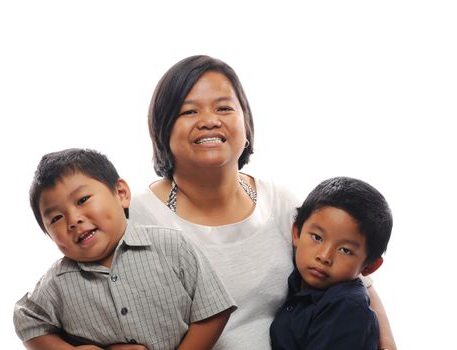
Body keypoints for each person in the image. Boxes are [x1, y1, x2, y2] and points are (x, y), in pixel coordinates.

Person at [129, 55, 397, 350]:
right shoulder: (136, 217)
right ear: (162, 128)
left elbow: (358, 285)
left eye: (224, 108)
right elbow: (72, 297)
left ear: (245, 125)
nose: (209, 120)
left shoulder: (281, 203)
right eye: (189, 111)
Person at [13, 148, 236, 350]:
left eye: (82, 200)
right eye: (56, 218)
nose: (73, 220)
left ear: (121, 193)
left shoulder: (171, 245)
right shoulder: (56, 282)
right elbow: (27, 321)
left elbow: (214, 309)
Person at [269, 176, 393, 349]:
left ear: (369, 266)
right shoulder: (298, 283)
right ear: (296, 233)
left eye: (345, 250)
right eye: (317, 237)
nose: (324, 256)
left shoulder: (347, 309)